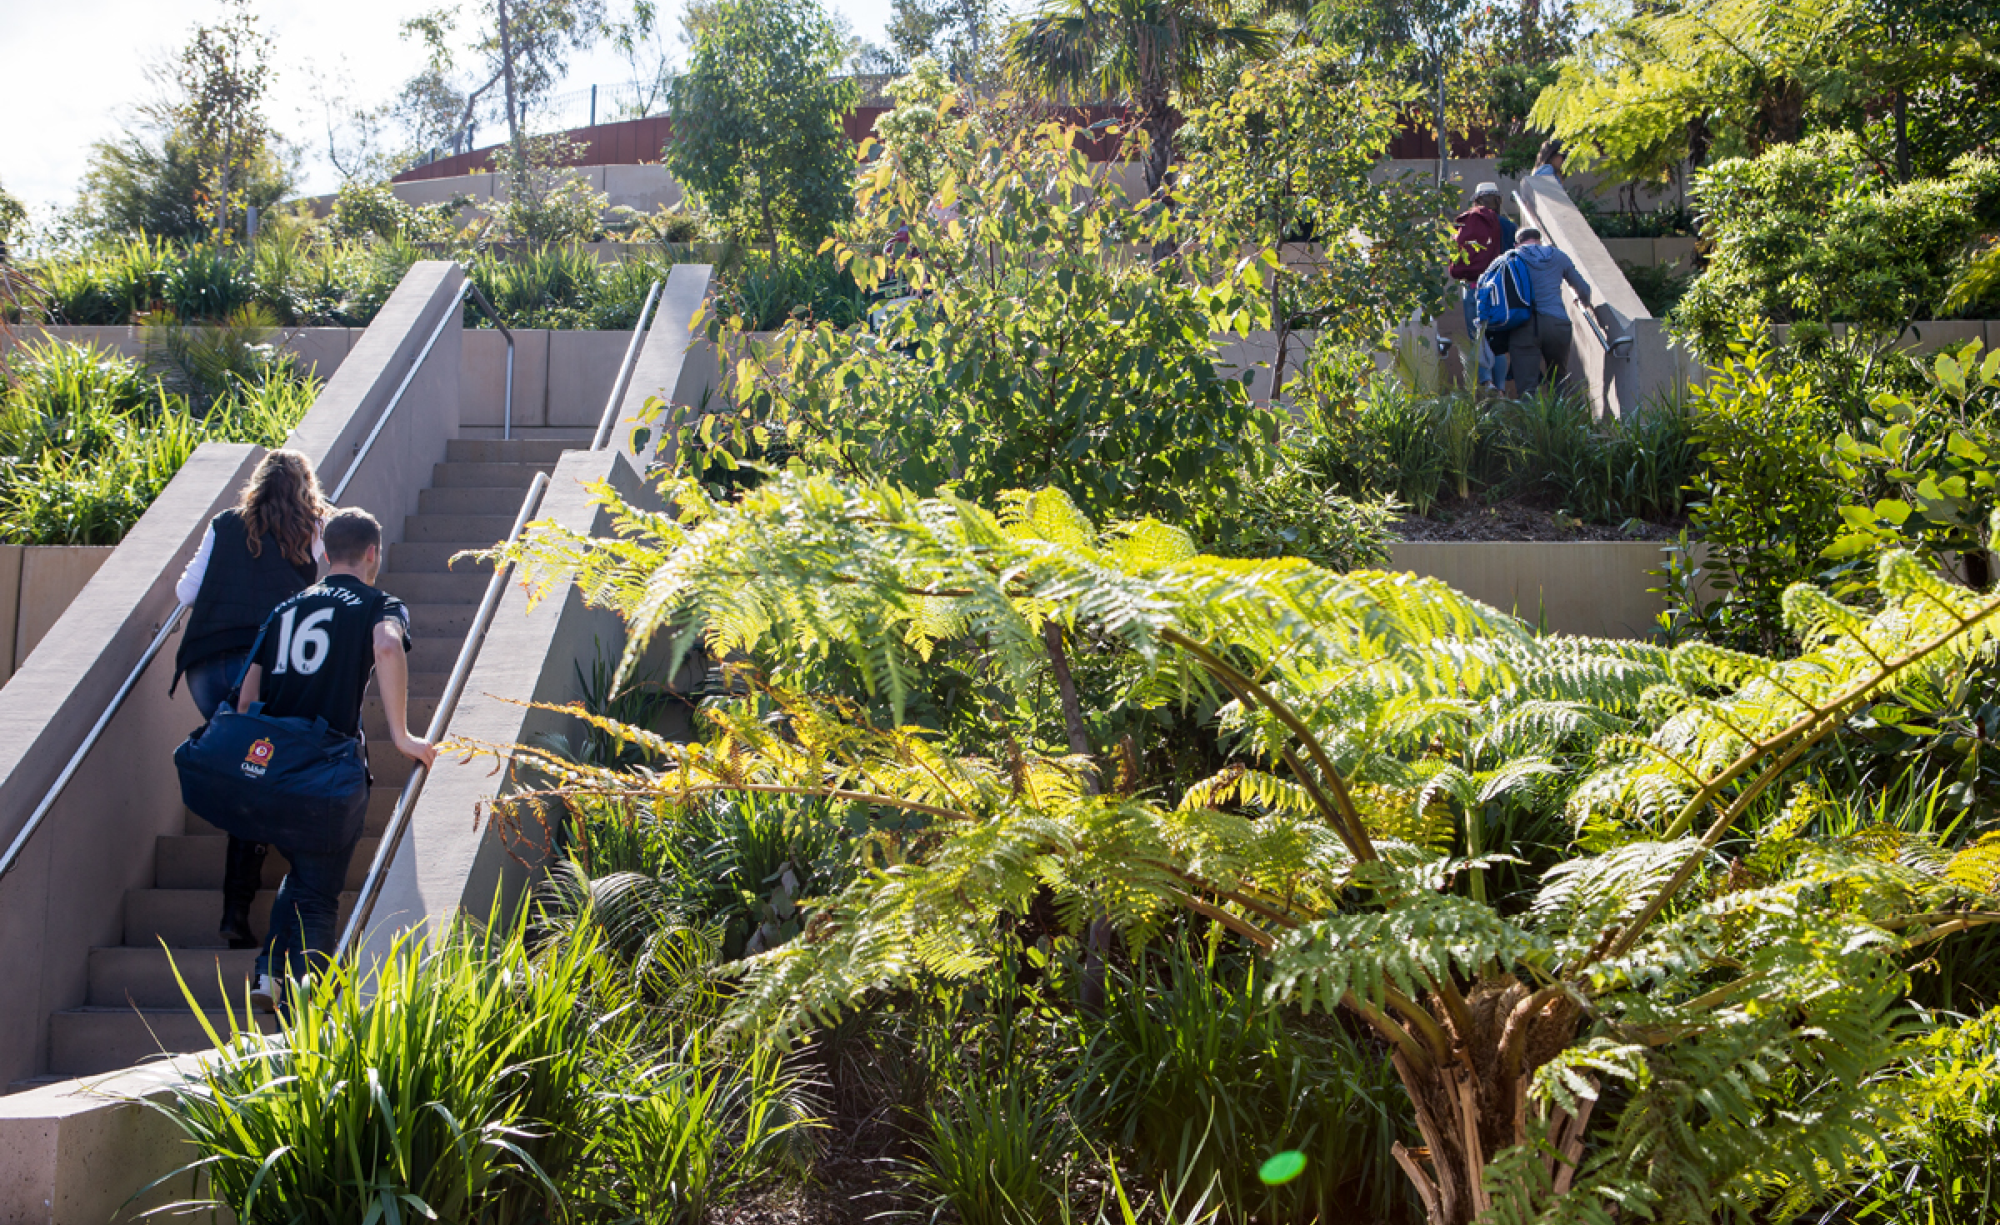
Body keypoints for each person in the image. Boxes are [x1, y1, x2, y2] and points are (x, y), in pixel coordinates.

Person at [236, 508, 435, 1010]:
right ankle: (313, 1013)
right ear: (372, 554)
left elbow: (245, 699)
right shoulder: (378, 603)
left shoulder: (286, 607)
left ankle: (267, 972)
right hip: (327, 766)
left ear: (324, 551)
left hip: (273, 767)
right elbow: (388, 648)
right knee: (320, 893)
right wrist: (402, 735)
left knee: (304, 872)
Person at [172, 449, 327, 950]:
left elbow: (185, 591)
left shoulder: (225, 525)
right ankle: (237, 913)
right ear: (306, 488)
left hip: (207, 669)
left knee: (247, 773)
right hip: (264, 671)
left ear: (256, 484)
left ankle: (236, 912)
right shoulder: (313, 529)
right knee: (256, 781)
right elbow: (330, 586)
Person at [1505, 227, 1595, 398]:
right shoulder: (1558, 256)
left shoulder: (1511, 257)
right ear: (1540, 240)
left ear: (1517, 244)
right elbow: (1583, 289)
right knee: (1559, 377)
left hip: (1525, 326)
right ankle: (1559, 421)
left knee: (1527, 386)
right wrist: (1582, 301)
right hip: (1558, 324)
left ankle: (1532, 424)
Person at [1448, 182, 1518, 391]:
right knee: (1497, 341)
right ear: (1499, 200)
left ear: (1475, 200)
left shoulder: (1465, 224)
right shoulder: (1509, 226)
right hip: (1499, 289)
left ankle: (1485, 383)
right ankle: (1501, 388)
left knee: (1477, 336)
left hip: (1472, 286)